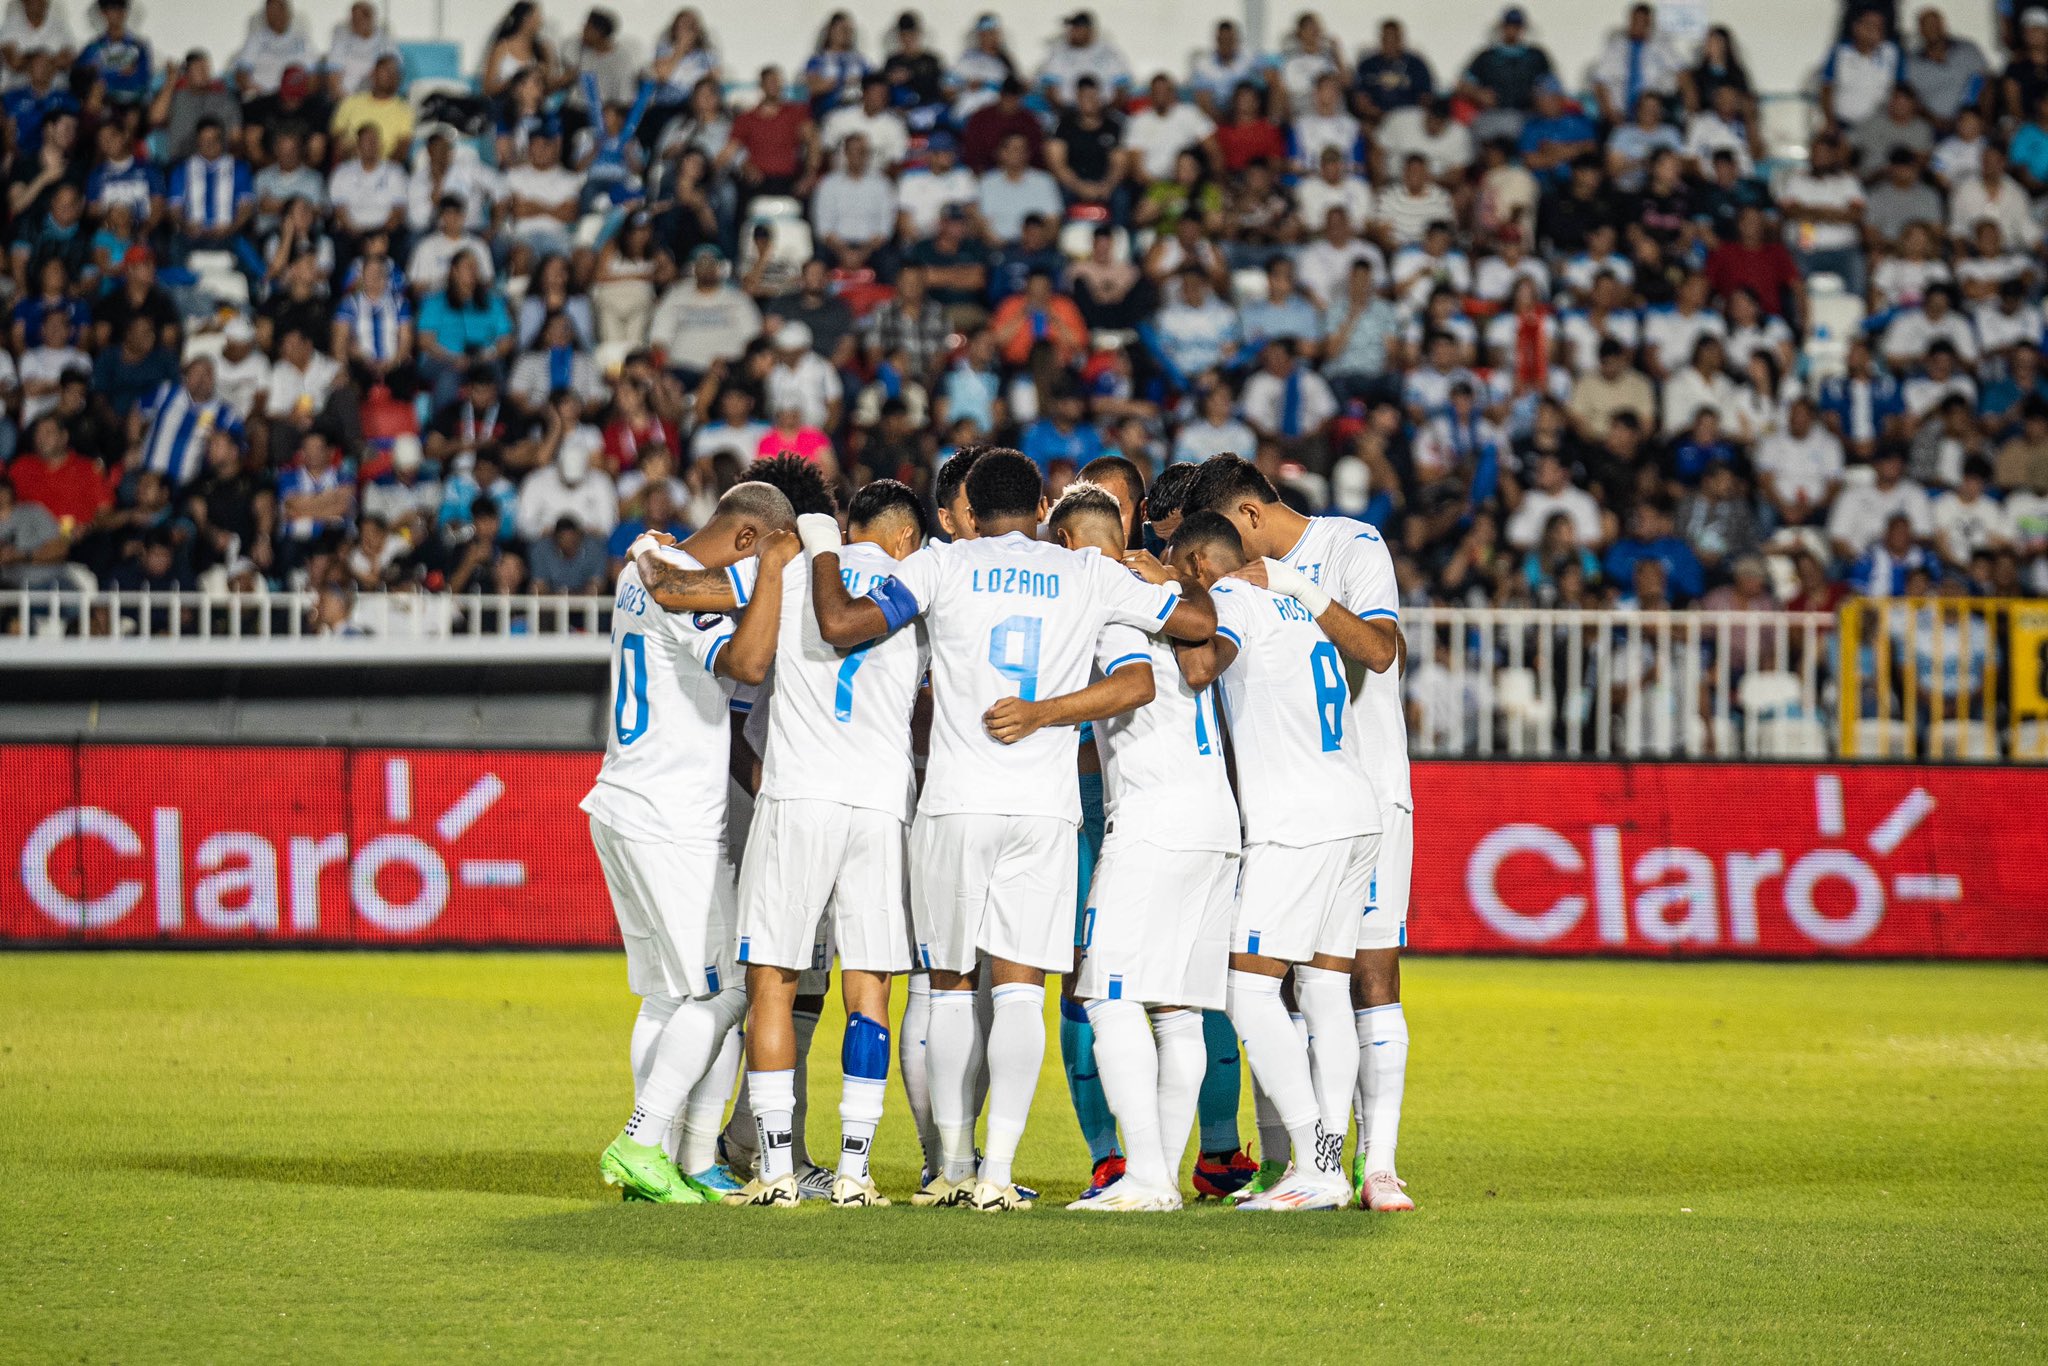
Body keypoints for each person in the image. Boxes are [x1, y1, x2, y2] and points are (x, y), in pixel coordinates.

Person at [805, 448, 1217, 1209]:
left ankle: (952, 1168)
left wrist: (820, 545)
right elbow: (1195, 623)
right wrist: (1160, 577)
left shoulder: (942, 566)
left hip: (955, 802)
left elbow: (842, 625)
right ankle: (998, 1174)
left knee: (953, 988)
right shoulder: (1086, 573)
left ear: (970, 508)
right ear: (1039, 509)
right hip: (1045, 807)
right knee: (1023, 992)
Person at [1183, 454, 1414, 1209]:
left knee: (1247, 991)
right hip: (1353, 806)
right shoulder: (1298, 608)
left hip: (1299, 822)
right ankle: (1328, 1167)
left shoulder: (1254, 594)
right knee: (1321, 987)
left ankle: (1321, 1163)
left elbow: (1198, 667)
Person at [583, 483, 793, 1203]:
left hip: (620, 800)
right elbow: (748, 664)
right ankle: (644, 1140)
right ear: (746, 540)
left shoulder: (643, 564)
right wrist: (768, 573)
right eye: (772, 551)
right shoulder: (695, 598)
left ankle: (680, 1161)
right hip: (670, 821)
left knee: (667, 997)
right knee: (728, 991)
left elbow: (663, 566)